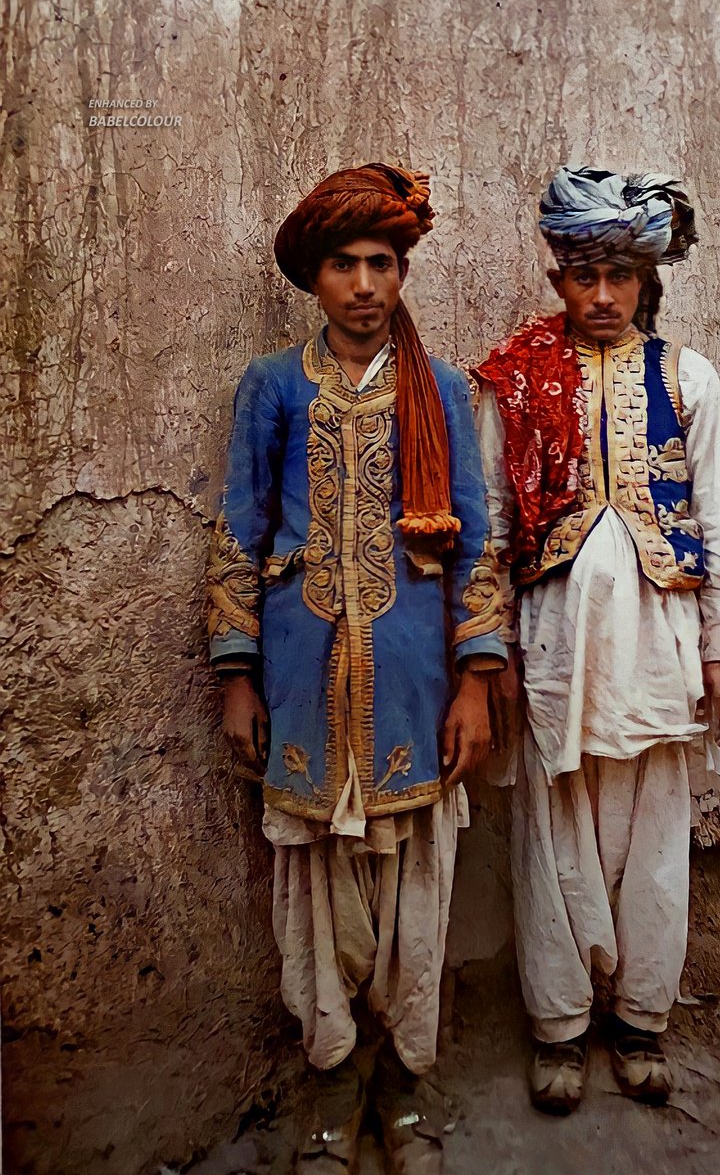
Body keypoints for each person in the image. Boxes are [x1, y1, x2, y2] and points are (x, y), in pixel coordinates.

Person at [205, 162, 506, 1172]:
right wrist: (236, 672)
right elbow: (238, 531)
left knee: (415, 902)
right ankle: (332, 1091)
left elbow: (476, 541)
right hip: (299, 683)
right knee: (318, 901)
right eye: (345, 264)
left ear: (402, 273)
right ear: (314, 278)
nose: (366, 284)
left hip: (417, 690)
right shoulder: (271, 386)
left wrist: (476, 680)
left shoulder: (441, 391)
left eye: (384, 263)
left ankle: (403, 1096)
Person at [474, 167, 720, 1112]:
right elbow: (489, 528)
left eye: (620, 277)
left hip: (660, 646)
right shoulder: (509, 378)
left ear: (645, 280)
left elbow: (719, 517)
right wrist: (490, 653)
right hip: (553, 650)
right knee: (552, 833)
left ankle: (641, 1018)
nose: (601, 296)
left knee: (655, 834)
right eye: (584, 274)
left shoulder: (688, 376)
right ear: (557, 276)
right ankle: (558, 1027)